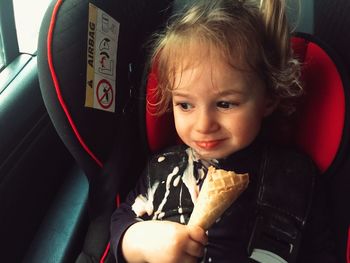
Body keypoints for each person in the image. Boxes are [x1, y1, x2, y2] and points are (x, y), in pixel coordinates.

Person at [110, 0, 336, 262]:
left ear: (269, 99)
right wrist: (141, 241)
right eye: (185, 104)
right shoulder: (161, 168)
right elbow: (122, 218)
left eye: (225, 104)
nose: (204, 124)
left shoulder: (296, 176)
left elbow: (323, 252)